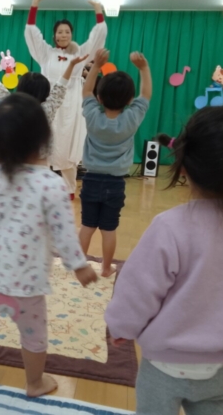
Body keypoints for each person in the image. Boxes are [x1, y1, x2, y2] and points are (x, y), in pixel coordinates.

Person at [104, 106, 223, 415]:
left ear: (182, 166)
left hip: (165, 363)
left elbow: (138, 290)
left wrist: (120, 327)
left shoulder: (169, 226)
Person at [0, 93, 98, 397]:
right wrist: (79, 265)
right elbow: (63, 232)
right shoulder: (51, 184)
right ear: (44, 138)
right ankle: (34, 383)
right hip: (25, 284)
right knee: (34, 337)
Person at [25, 0, 107, 199]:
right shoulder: (46, 53)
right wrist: (34, 4)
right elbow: (32, 34)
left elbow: (97, 39)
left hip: (71, 104)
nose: (63, 35)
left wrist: (98, 11)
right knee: (44, 143)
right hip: (49, 102)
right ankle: (42, 186)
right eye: (60, 32)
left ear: (71, 34)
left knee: (68, 145)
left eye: (67, 32)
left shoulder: (79, 53)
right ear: (54, 35)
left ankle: (69, 188)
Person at [78, 49, 152, 278]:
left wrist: (96, 66)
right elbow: (146, 95)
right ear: (130, 100)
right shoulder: (132, 117)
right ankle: (106, 267)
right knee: (109, 229)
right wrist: (144, 68)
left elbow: (86, 90)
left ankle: (78, 266)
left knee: (87, 226)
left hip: (91, 180)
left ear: (99, 97)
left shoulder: (93, 115)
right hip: (115, 184)